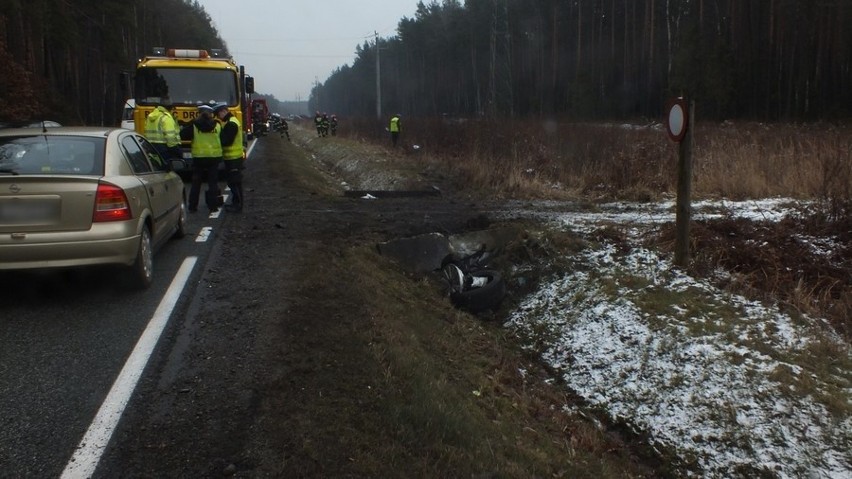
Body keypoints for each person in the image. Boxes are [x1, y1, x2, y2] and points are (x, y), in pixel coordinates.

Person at [180, 104, 223, 213]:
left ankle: (192, 206)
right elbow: (222, 138)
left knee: (196, 183)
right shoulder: (217, 125)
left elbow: (182, 135)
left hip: (199, 158)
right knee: (213, 183)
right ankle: (213, 207)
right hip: (214, 157)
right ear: (211, 114)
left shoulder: (194, 125)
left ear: (199, 113)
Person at [214, 102, 245, 211]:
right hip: (232, 158)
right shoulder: (230, 122)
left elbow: (226, 141)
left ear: (224, 111)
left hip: (233, 158)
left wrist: (218, 135)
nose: (218, 117)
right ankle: (236, 203)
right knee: (233, 182)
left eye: (218, 114)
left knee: (234, 182)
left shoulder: (231, 124)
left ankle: (238, 205)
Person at [143, 98, 180, 168]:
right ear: (169, 108)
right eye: (172, 109)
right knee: (167, 170)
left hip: (150, 147)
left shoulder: (150, 116)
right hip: (163, 148)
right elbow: (170, 136)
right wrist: (176, 149)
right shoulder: (166, 117)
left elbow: (145, 131)